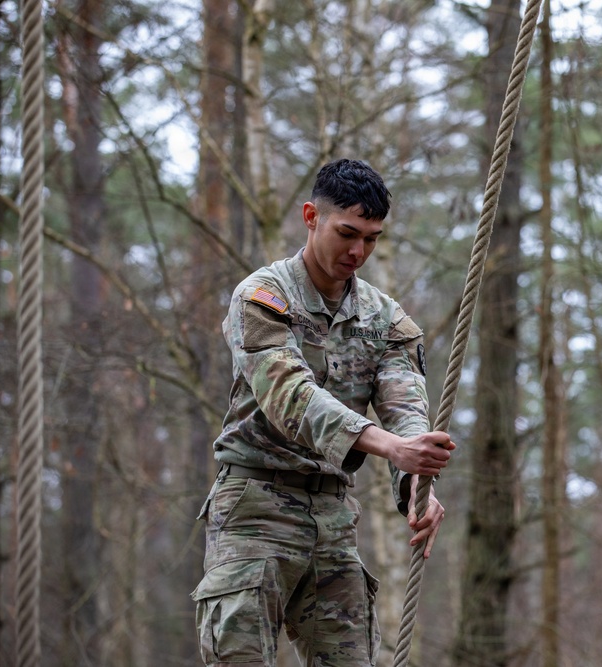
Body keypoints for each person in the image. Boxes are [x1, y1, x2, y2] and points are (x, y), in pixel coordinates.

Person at [191, 158, 456, 667]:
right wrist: (390, 446)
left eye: (373, 238)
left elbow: (406, 410)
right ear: (311, 216)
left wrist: (416, 486)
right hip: (253, 510)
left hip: (332, 515)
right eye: (348, 233)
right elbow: (291, 397)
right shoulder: (263, 299)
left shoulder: (388, 320)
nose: (359, 252)